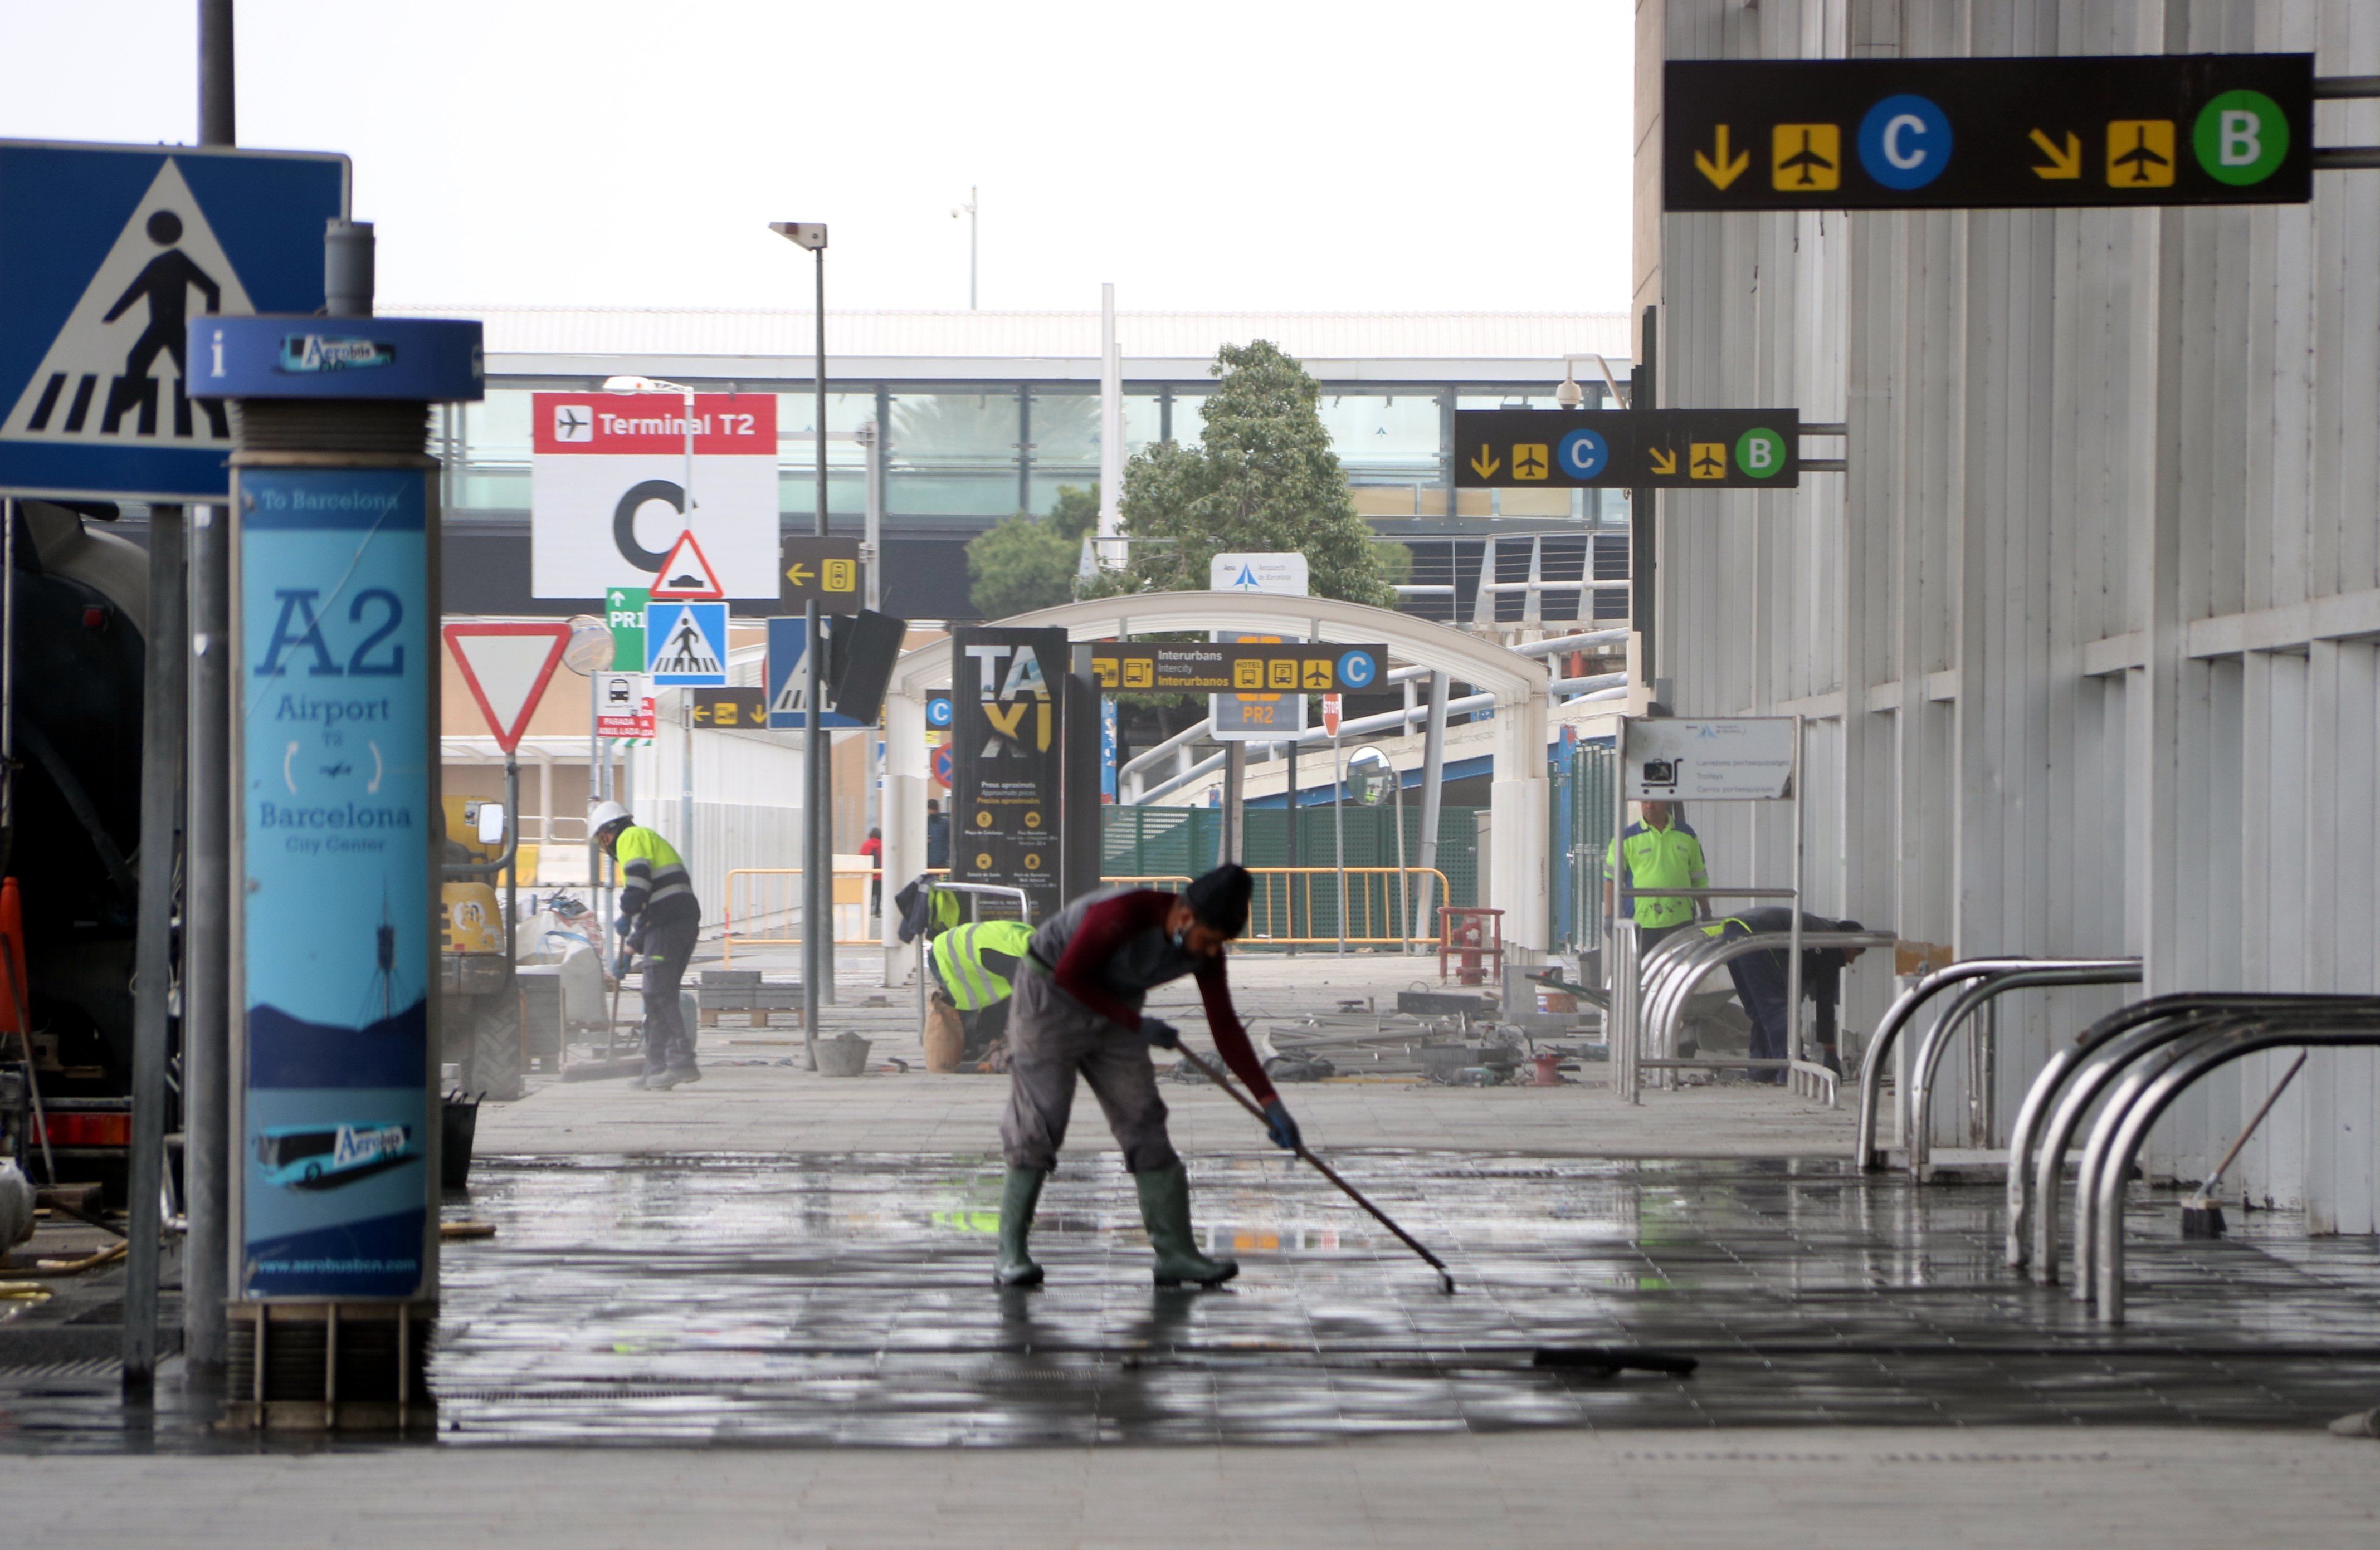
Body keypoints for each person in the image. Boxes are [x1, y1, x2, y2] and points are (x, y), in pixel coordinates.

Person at [995, 864, 1298, 1290]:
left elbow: (1226, 1026)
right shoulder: (1123, 913)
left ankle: (1176, 1254)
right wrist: (1138, 1026)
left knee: (1143, 1118)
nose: (1211, 952)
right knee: (1041, 1119)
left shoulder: (1205, 950)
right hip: (1049, 998)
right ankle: (1010, 1254)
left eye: (1220, 945)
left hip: (1114, 1006)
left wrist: (1271, 1102)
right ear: (1187, 918)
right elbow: (1070, 974)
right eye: (1210, 941)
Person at [590, 801, 703, 1091]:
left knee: (658, 992)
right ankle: (656, 1069)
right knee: (654, 998)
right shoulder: (645, 839)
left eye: (601, 842)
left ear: (606, 834)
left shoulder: (630, 837)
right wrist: (628, 952)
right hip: (672, 922)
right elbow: (651, 910)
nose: (604, 849)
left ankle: (682, 1063)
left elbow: (638, 884)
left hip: (670, 925)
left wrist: (626, 913)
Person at [1708, 908, 1867, 1081]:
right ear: (1850, 942)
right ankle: (1791, 1072)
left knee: (1760, 1012)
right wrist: (1830, 1054)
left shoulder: (1818, 933)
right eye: (1856, 954)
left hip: (1733, 929)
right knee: (1779, 1010)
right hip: (1756, 934)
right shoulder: (1832, 944)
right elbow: (1825, 1003)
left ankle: (1762, 1071)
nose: (1851, 961)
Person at [1604, 800, 1709, 952]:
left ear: (1666, 802)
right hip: (1642, 924)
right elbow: (1610, 879)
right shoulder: (1625, 838)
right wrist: (1609, 917)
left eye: (1655, 802)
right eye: (1645, 802)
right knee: (1644, 973)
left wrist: (1706, 910)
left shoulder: (1687, 835)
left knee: (1680, 973)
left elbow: (1698, 877)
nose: (1649, 806)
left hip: (1681, 922)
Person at [930, 916, 1036, 1064]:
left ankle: (986, 1046)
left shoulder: (1034, 942)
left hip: (973, 953)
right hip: (947, 953)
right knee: (966, 1007)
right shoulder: (1016, 960)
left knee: (999, 997)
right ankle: (962, 1054)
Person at [859, 825, 884, 917]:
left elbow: (861, 857)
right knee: (879, 894)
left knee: (868, 893)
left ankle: (867, 910)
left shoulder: (866, 845)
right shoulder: (882, 845)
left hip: (868, 874)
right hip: (880, 875)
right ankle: (877, 911)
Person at [925, 799, 951, 872]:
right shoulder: (945, 823)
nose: (932, 812)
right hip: (934, 860)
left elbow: (949, 841)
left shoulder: (945, 824)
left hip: (938, 860)